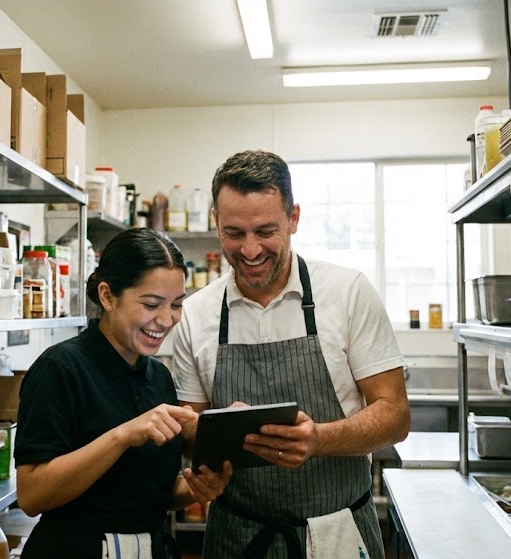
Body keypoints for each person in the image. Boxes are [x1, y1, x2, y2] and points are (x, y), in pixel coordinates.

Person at [172, 150, 411, 559]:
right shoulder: (196, 314)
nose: (249, 250)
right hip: (237, 538)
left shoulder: (347, 292)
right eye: (234, 233)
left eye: (265, 231)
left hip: (336, 534)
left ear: (294, 218)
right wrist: (218, 437)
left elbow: (395, 415)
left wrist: (319, 438)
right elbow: (188, 428)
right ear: (215, 221)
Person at [14, 227, 232, 559]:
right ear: (107, 296)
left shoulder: (156, 376)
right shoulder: (60, 369)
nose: (166, 319)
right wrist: (123, 435)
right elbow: (31, 495)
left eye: (176, 304)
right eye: (151, 304)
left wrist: (193, 489)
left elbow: (140, 495)